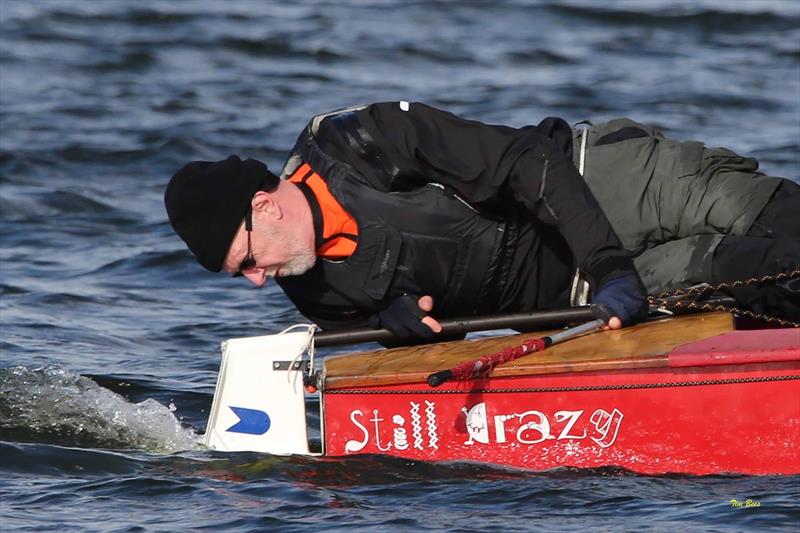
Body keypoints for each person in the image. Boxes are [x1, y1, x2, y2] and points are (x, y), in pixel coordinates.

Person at [164, 102, 799, 342]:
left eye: (246, 260)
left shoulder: (362, 140)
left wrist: (611, 267)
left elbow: (526, 160)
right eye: (238, 276)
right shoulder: (313, 289)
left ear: (265, 206)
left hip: (602, 181)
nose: (255, 282)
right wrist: (393, 325)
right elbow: (419, 352)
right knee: (752, 276)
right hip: (572, 296)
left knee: (780, 226)